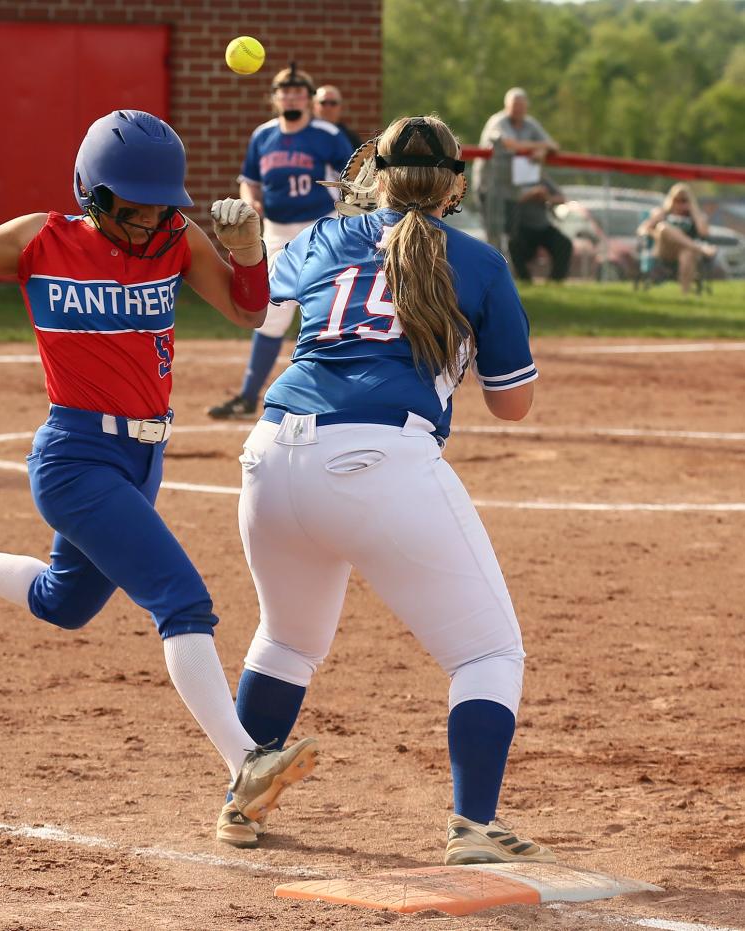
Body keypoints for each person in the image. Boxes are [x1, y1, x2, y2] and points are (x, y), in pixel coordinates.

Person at [0, 110, 319, 843]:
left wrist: (247, 252)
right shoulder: (41, 238)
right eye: (131, 209)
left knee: (64, 601)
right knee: (183, 601)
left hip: (143, 460)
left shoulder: (175, 239)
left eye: (158, 208)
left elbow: (250, 312)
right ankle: (246, 762)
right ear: (93, 195)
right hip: (75, 459)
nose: (147, 223)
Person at [225, 115, 554, 864]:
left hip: (271, 453)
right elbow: (513, 401)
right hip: (379, 457)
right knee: (489, 652)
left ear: (372, 173)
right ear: (456, 184)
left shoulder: (316, 237)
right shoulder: (475, 259)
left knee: (285, 638)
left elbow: (261, 312)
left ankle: (239, 798)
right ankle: (473, 825)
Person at [207, 64, 353, 420]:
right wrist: (249, 199)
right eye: (283, 91)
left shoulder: (327, 134)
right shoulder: (263, 135)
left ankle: (343, 395)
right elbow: (250, 180)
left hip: (321, 228)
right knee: (270, 314)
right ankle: (247, 397)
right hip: (275, 231)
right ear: (274, 99)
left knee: (328, 309)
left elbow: (352, 180)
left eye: (297, 91)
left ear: (308, 98)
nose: (290, 96)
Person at [474, 88, 557, 254]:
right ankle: (492, 271)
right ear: (506, 105)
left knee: (511, 236)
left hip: (513, 189)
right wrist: (538, 147)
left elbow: (553, 145)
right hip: (490, 188)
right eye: (514, 105)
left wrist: (542, 151)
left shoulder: (530, 123)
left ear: (526, 106)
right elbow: (509, 143)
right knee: (493, 234)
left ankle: (507, 273)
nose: (518, 109)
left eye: (521, 105)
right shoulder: (497, 122)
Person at [637, 183, 717, 294]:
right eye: (676, 200)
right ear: (671, 199)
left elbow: (704, 233)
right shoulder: (663, 213)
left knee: (687, 253)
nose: (679, 203)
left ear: (690, 201)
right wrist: (655, 233)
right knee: (664, 228)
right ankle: (700, 249)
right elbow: (642, 229)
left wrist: (693, 211)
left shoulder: (695, 216)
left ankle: (685, 294)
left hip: (685, 251)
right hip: (664, 251)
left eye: (684, 200)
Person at [509, 174, 571, 283]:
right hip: (522, 228)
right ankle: (525, 280)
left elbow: (562, 198)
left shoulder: (540, 179)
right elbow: (510, 199)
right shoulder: (513, 179)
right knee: (513, 244)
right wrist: (530, 195)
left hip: (543, 227)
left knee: (564, 244)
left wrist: (547, 197)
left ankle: (555, 281)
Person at [313, 84, 361, 150]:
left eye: (333, 103)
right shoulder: (304, 133)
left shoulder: (349, 138)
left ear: (341, 107)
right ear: (313, 106)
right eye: (323, 102)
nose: (328, 108)